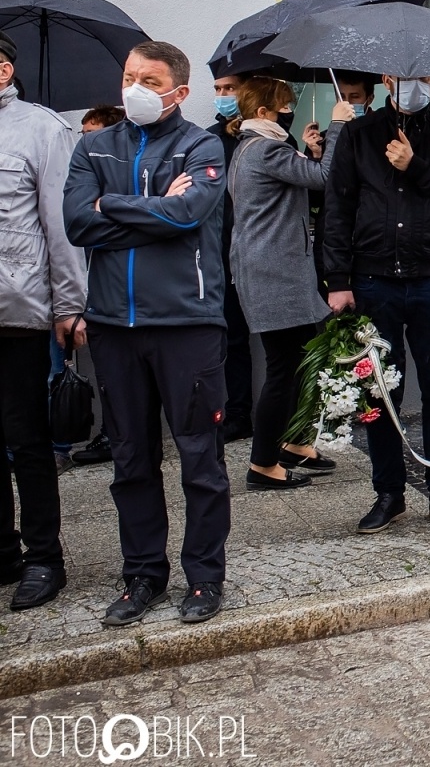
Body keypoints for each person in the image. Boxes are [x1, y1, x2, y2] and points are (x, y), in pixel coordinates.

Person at [62, 41, 231, 626]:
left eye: (149, 81)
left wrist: (111, 206)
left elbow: (189, 214)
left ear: (178, 92)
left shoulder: (202, 145)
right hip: (114, 327)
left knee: (200, 459)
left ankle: (204, 578)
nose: (134, 88)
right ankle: (142, 576)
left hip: (187, 325)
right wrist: (151, 207)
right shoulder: (93, 146)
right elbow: (77, 223)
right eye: (129, 76)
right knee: (131, 460)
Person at [322, 73, 430, 534]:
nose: (415, 84)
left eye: (423, 77)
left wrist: (416, 165)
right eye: (405, 77)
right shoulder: (359, 133)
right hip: (374, 281)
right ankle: (389, 493)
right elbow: (338, 208)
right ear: (388, 79)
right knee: (379, 394)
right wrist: (338, 280)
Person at [228, 77, 353, 491]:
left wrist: (311, 152)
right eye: (284, 106)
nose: (289, 111)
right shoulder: (265, 149)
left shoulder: (253, 148)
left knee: (300, 361)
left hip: (275, 272)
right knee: (284, 369)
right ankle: (263, 464)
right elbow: (326, 177)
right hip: (274, 275)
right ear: (263, 112)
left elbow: (302, 184)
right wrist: (338, 126)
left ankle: (295, 442)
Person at [0, 37, 86, 610]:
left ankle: (43, 558)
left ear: (4, 69)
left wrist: (69, 305)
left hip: (18, 309)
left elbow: (61, 225)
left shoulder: (42, 128)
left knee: (27, 440)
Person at [67, 107, 127, 468]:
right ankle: (111, 433)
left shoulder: (120, 174)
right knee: (108, 374)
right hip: (94, 290)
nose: (85, 140)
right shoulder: (83, 175)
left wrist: (111, 207)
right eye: (83, 133)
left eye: (92, 133)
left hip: (123, 291)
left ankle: (119, 434)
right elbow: (78, 223)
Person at [208, 72, 255, 443]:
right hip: (222, 253)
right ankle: (237, 413)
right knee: (232, 337)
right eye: (218, 89)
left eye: (230, 89)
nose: (223, 95)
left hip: (259, 251)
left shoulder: (264, 136)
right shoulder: (209, 139)